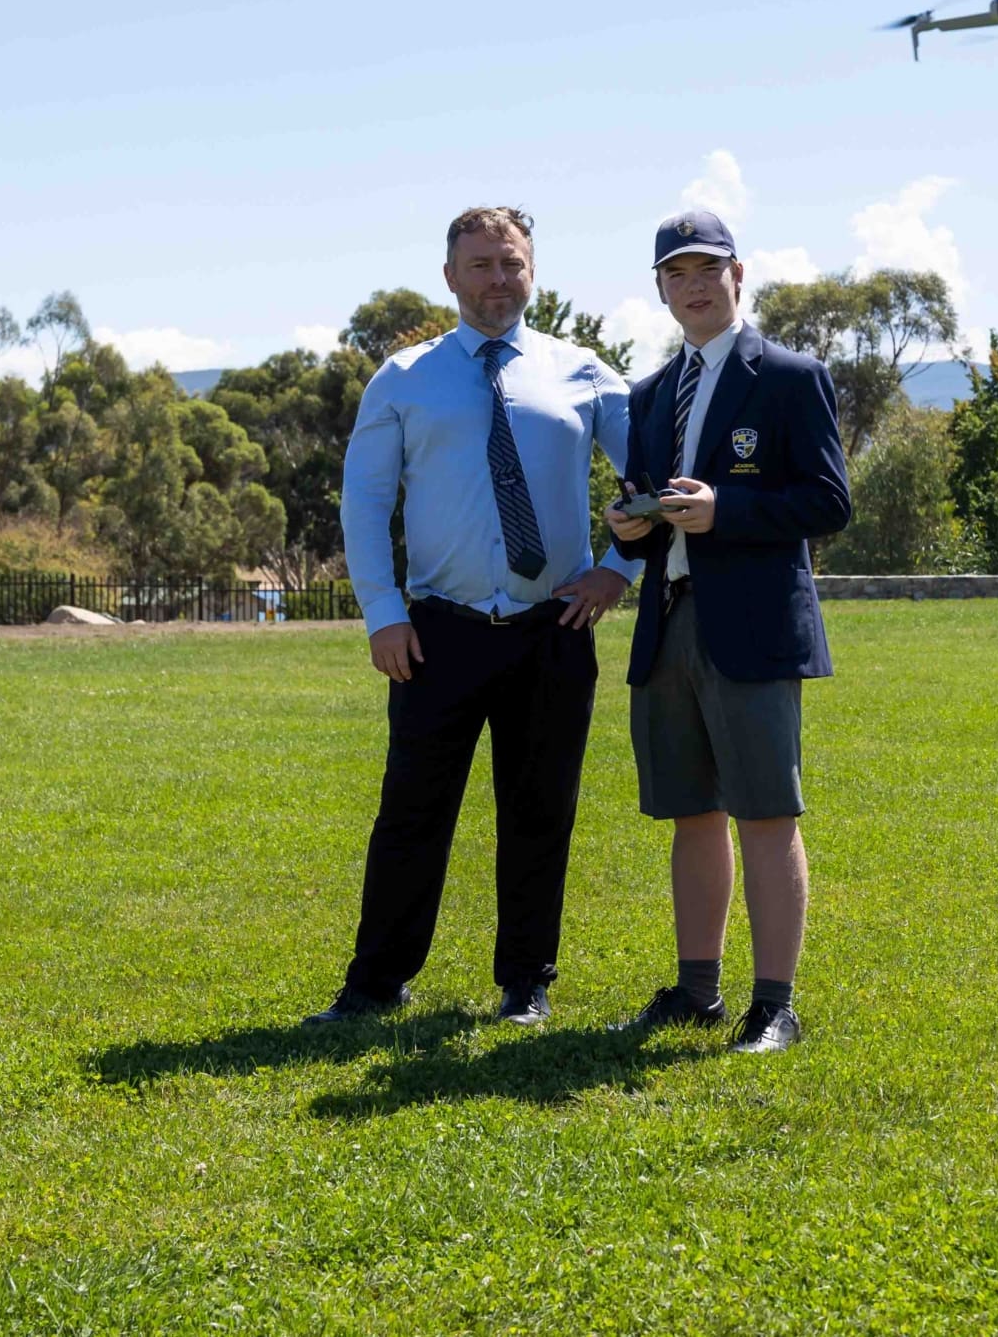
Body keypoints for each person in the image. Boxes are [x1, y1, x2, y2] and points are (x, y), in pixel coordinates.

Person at [307, 207, 637, 1028]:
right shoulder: (403, 379)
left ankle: (527, 983)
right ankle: (375, 983)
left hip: (553, 630)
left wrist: (618, 569)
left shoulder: (584, 374)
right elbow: (365, 503)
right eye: (481, 264)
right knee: (410, 814)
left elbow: (654, 483)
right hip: (435, 634)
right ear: (450, 275)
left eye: (511, 262)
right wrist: (383, 613)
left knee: (540, 812)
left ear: (534, 271)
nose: (498, 278)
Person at [604, 209, 850, 1054]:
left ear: (738, 275)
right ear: (661, 290)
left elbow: (828, 501)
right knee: (692, 812)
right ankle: (696, 991)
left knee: (767, 813)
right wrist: (628, 525)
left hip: (752, 628)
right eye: (676, 273)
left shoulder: (789, 376)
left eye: (708, 268)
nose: (695, 286)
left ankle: (774, 1005)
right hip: (669, 622)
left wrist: (726, 510)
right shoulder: (649, 394)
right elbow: (649, 508)